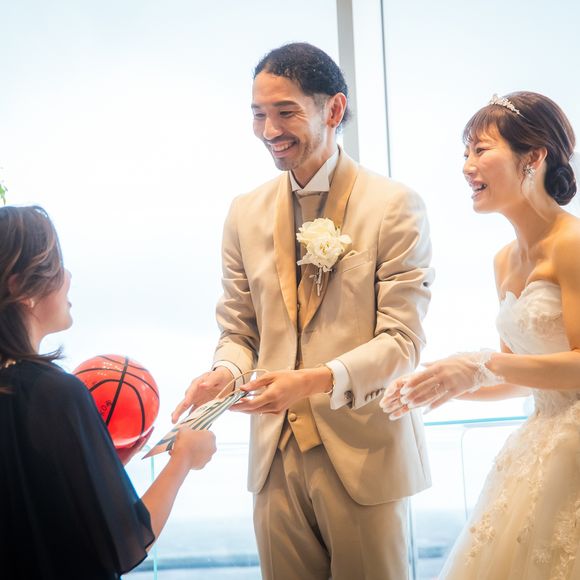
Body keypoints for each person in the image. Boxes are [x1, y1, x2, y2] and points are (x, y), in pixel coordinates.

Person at [172, 42, 434, 579]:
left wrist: (311, 381)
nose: (269, 130)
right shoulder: (243, 213)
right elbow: (239, 330)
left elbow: (402, 342)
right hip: (273, 461)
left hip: (365, 456)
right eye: (258, 114)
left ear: (333, 109)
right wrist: (225, 372)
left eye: (285, 112)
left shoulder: (393, 205)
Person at [381, 91, 580, 579]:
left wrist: (479, 364)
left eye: (481, 150)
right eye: (465, 152)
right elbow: (523, 378)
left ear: (533, 157)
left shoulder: (573, 244)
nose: (467, 166)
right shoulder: (503, 261)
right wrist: (442, 385)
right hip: (540, 442)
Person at [0, 205, 217, 580]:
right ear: (20, 287)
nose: (68, 277)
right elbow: (125, 543)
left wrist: (104, 466)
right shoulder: (56, 393)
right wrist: (183, 458)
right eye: (56, 265)